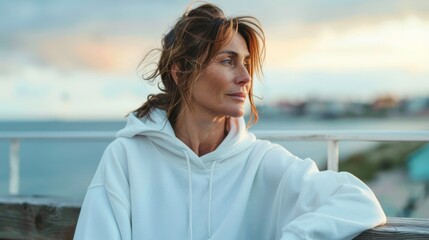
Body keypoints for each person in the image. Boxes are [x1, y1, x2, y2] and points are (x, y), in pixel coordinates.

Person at [74, 2, 386, 240]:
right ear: (180, 72)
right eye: (228, 61)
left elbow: (358, 201)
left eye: (247, 64)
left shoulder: (261, 162)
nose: (246, 77)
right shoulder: (126, 158)